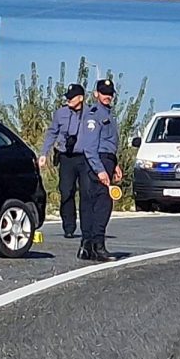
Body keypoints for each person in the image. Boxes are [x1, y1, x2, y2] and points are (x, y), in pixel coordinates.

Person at [77, 79, 123, 261]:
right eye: (104, 92)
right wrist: (100, 170)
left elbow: (108, 143)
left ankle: (87, 246)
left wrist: (115, 163)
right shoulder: (94, 115)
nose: (107, 96)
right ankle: (97, 245)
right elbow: (90, 147)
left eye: (110, 93)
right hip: (97, 162)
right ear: (96, 93)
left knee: (92, 204)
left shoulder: (107, 114)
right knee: (101, 205)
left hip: (106, 160)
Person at [38, 83, 87, 239]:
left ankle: (87, 226)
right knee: (66, 191)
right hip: (66, 157)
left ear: (80, 98)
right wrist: (44, 153)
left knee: (86, 193)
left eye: (71, 98)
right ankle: (69, 227)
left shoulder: (90, 113)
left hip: (85, 157)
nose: (68, 100)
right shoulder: (60, 113)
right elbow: (52, 133)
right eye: (67, 97)